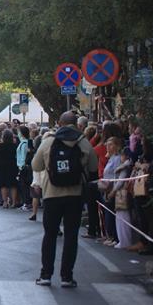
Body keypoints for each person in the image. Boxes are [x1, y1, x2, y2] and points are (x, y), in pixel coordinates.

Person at [31, 111, 96, 288]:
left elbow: (36, 165)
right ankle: (67, 277)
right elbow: (93, 167)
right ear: (77, 124)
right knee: (71, 236)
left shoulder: (49, 141)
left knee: (50, 235)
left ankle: (46, 275)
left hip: (52, 194)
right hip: (75, 195)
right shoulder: (83, 142)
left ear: (59, 123)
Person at [0, 129, 20, 209]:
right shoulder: (15, 145)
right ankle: (13, 202)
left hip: (2, 166)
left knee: (3, 185)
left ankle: (5, 202)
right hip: (12, 165)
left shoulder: (0, 145)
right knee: (13, 184)